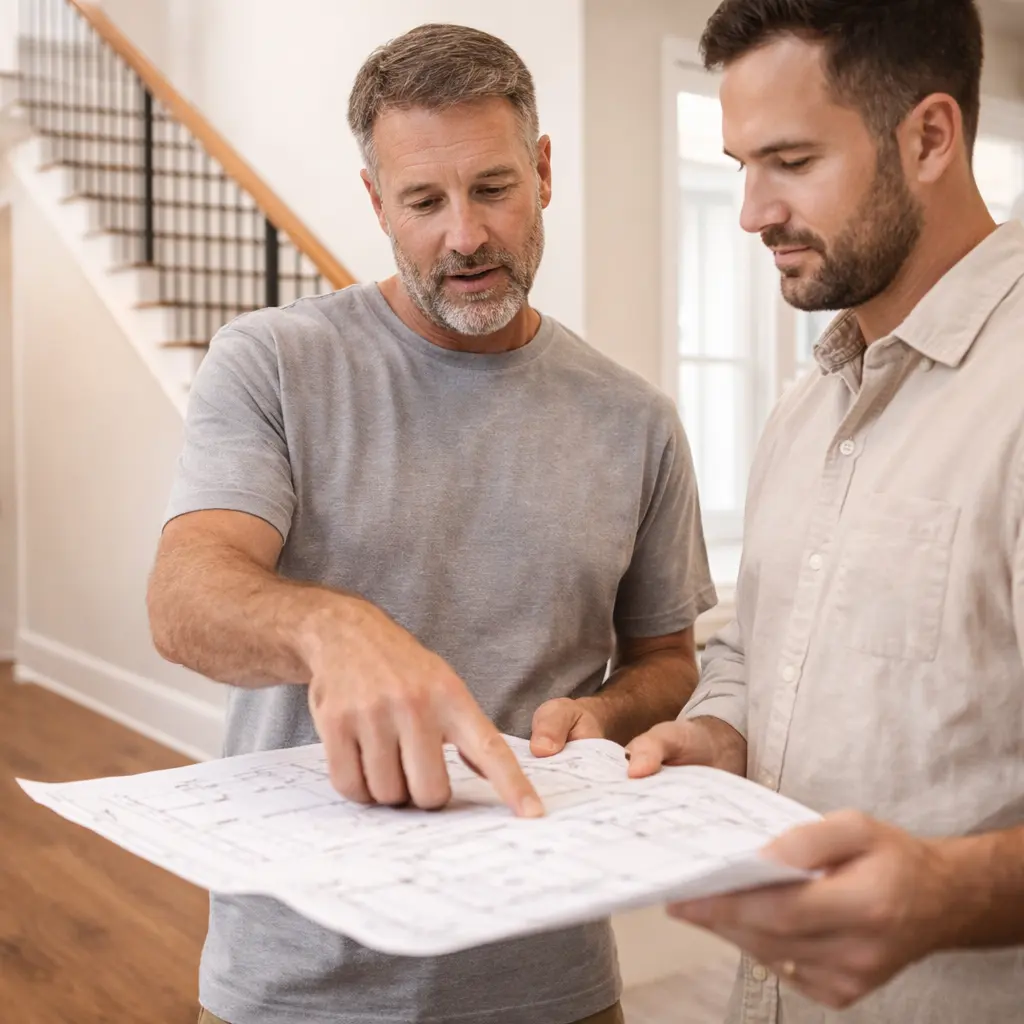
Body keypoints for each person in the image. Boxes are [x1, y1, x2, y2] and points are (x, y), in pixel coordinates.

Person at [147, 22, 716, 1024]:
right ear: (376, 202)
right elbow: (184, 600)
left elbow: (667, 656)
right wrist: (335, 628)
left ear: (542, 174)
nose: (464, 235)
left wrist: (606, 714)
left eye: (493, 187)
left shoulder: (637, 423)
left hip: (548, 976)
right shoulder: (271, 364)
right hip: (297, 979)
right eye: (423, 200)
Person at [626, 1, 1024, 1021]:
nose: (751, 211)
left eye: (789, 161)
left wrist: (948, 893)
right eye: (740, 164)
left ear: (928, 136)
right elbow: (760, 655)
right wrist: (716, 734)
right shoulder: (806, 407)